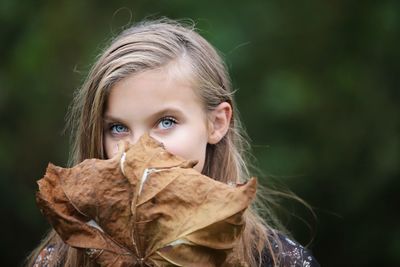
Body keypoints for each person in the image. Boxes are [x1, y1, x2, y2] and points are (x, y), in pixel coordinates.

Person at [27, 18, 319, 267]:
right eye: (117, 128)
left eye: (166, 122)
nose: (139, 150)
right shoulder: (61, 259)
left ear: (216, 124)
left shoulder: (277, 260)